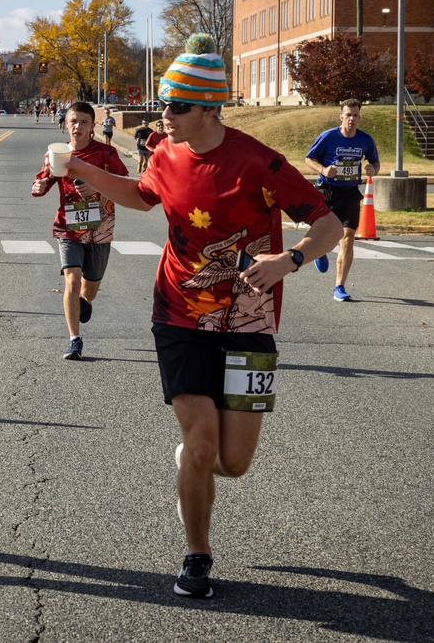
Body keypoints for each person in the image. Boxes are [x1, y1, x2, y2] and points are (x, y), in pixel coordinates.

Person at [63, 34, 342, 599]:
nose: (164, 115)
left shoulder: (257, 162)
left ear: (209, 109)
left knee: (233, 463)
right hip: (180, 315)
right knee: (201, 444)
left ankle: (197, 462)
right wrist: (77, 168)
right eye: (164, 103)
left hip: (250, 322)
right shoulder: (163, 153)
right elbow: (142, 196)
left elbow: (329, 225)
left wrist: (289, 260)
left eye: (177, 106)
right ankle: (197, 556)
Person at [31, 101, 129, 361]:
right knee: (72, 281)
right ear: (66, 123)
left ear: (91, 126)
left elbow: (124, 185)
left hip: (100, 229)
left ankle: (84, 302)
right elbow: (42, 180)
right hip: (68, 227)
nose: (77, 126)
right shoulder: (57, 153)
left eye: (83, 122)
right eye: (73, 121)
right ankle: (74, 340)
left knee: (90, 289)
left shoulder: (106, 154)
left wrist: (97, 187)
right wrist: (39, 187)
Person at [304, 98, 380, 302]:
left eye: (355, 115)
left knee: (347, 237)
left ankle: (339, 286)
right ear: (341, 116)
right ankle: (321, 250)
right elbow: (309, 158)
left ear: (359, 117)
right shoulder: (328, 137)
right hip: (327, 191)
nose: (352, 119)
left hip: (350, 193)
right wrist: (323, 170)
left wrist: (374, 169)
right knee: (325, 235)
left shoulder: (365, 140)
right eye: (348, 115)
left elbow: (375, 162)